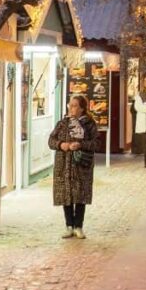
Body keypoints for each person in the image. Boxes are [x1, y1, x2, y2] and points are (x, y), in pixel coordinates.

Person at [48, 94, 98, 239]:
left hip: (81, 165)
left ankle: (79, 226)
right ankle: (69, 225)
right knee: (66, 194)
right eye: (70, 104)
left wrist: (81, 144)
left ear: (82, 108)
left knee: (80, 195)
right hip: (64, 165)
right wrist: (61, 145)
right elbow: (51, 140)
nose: (71, 108)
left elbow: (96, 143)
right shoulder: (63, 123)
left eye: (75, 105)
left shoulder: (89, 124)